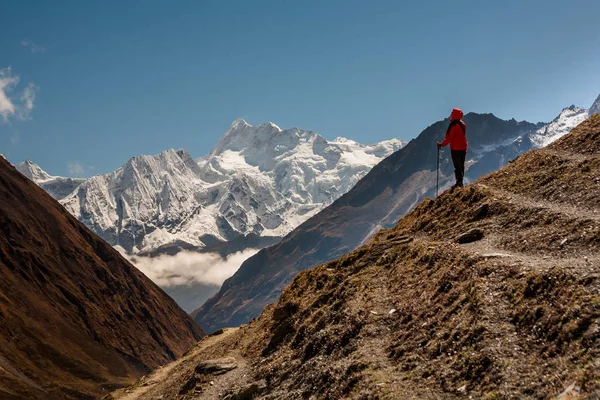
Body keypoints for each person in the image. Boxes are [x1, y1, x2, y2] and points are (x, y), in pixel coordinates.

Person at [437, 108, 467, 189]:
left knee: (457, 165)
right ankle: (461, 181)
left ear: (454, 115)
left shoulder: (453, 125)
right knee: (461, 165)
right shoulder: (463, 124)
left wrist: (441, 145)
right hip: (463, 147)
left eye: (452, 113)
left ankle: (458, 182)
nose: (451, 115)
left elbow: (449, 138)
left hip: (455, 148)